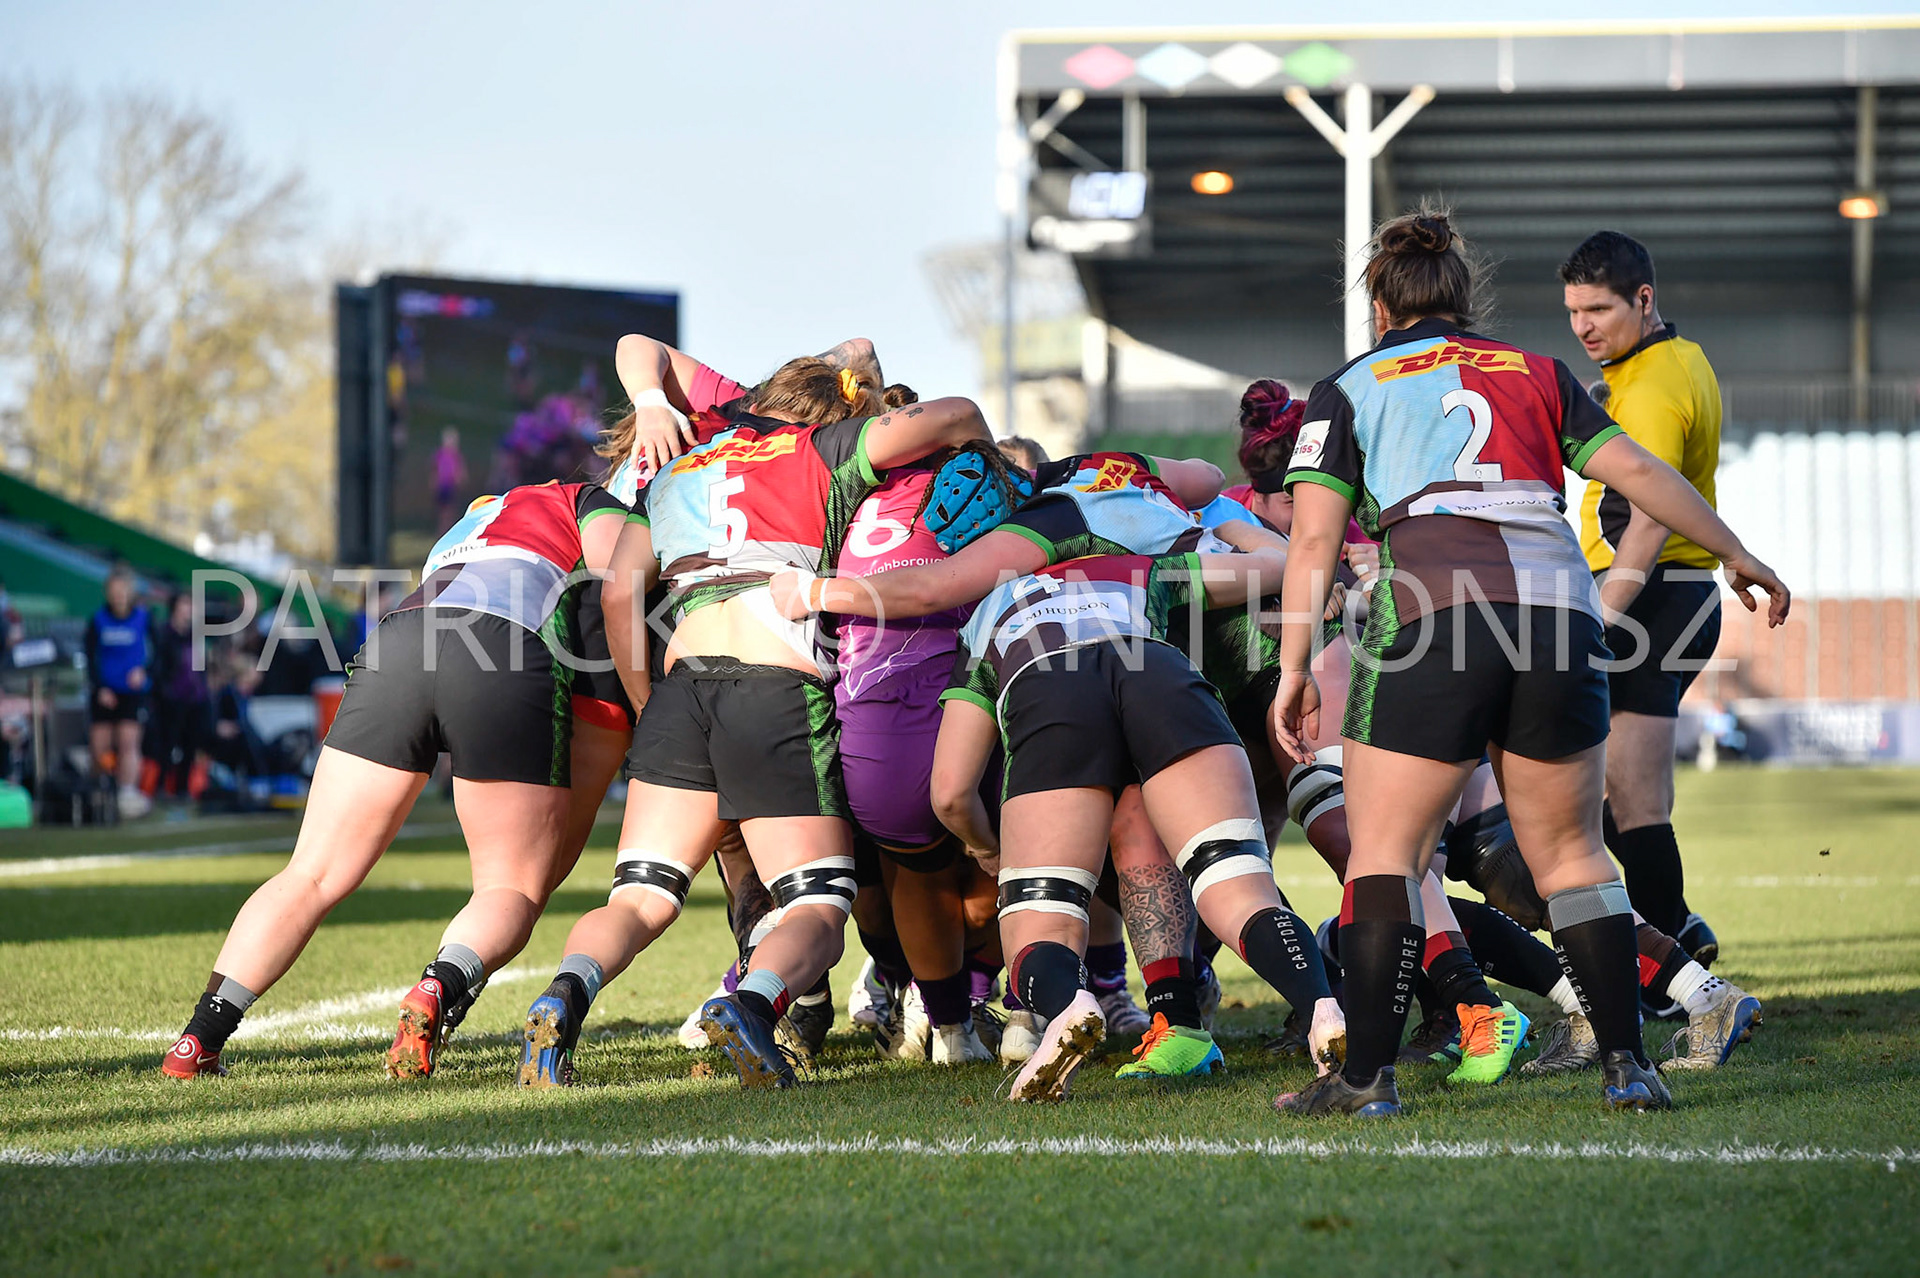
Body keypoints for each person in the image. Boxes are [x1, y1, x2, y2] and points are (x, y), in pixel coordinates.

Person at [1271, 207, 1788, 1117]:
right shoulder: (1540, 372)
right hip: (1557, 618)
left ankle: (1366, 1081)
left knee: (1387, 856)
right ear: (1465, 299)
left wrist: (1295, 667)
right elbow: (1642, 476)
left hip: (1432, 621)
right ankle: (1631, 1067)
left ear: (1381, 307)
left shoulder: (1350, 385)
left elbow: (1314, 541)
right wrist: (1738, 552)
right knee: (1576, 857)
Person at [516, 352, 993, 1092]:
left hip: (681, 688)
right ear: (832, 417)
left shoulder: (684, 464)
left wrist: (648, 706)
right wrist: (985, 458)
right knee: (820, 903)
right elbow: (955, 413)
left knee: (640, 897)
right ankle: (749, 1004)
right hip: (774, 686)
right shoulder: (822, 449)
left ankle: (564, 996)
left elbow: (619, 597)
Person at [160, 479, 627, 1080]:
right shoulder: (585, 497)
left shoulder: (480, 510)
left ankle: (199, 1039)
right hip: (501, 645)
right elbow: (625, 582)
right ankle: (436, 987)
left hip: (399, 639)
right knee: (510, 889)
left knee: (310, 872)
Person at [910, 544, 1338, 1101]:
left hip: (1048, 684)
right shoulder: (1137, 564)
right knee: (1238, 889)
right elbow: (1270, 566)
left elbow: (950, 793)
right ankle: (1323, 1009)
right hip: (1157, 670)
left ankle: (1070, 1007)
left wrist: (986, 848)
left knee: (1041, 926)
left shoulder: (987, 610)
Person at [1562, 230, 1727, 979]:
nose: (1584, 326)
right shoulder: (1672, 360)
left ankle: (1671, 974)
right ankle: (1677, 935)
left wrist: (1606, 608)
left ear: (1644, 300)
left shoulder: (1657, 382)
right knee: (1597, 796)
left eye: (1599, 308)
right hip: (1669, 596)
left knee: (1632, 802)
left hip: (1652, 597)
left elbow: (1652, 514)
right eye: (1573, 311)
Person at [85, 567, 154, 819]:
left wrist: (144, 672)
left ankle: (126, 793)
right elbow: (90, 657)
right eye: (114, 591)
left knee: (128, 743)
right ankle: (98, 792)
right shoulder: (98, 620)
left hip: (132, 693)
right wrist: (99, 687)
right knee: (99, 746)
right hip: (105, 692)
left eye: (123, 591)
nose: (119, 596)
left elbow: (156, 656)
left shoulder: (144, 618)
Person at [150, 592, 210, 809]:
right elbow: (159, 667)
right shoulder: (164, 634)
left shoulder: (195, 635)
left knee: (190, 746)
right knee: (167, 745)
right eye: (186, 604)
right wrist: (164, 692)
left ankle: (183, 789)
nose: (189, 609)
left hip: (194, 699)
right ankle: (160, 788)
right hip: (172, 699)